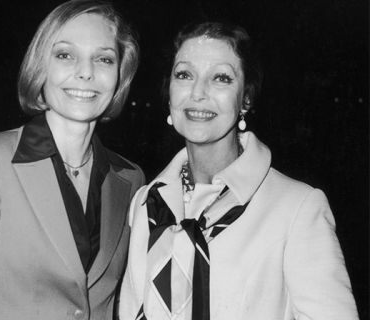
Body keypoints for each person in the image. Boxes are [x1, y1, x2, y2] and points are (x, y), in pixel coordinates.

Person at [119, 22, 358, 319]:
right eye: (184, 75)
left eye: (221, 78)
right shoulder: (146, 204)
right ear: (169, 94)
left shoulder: (297, 208)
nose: (198, 93)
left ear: (245, 98)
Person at [0, 1, 144, 319]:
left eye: (104, 59)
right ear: (41, 66)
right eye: (65, 55)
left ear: (119, 74)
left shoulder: (131, 178)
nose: (85, 72)